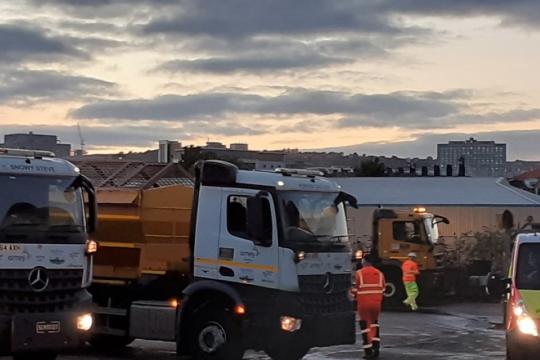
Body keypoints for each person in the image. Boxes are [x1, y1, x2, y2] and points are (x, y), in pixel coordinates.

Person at [354, 254, 385, 359]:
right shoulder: (380, 274)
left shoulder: (359, 273)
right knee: (374, 324)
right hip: (376, 304)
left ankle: (368, 352)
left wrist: (352, 296)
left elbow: (355, 289)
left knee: (365, 327)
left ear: (365, 261)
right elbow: (383, 289)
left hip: (363, 304)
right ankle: (376, 348)